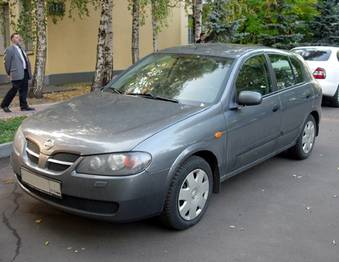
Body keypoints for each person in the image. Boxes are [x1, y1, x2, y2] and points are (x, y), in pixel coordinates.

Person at [1, 33, 35, 113]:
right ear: (12, 39)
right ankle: (4, 105)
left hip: (25, 72)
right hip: (16, 73)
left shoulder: (22, 49)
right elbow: (7, 63)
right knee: (14, 89)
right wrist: (9, 73)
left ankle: (24, 106)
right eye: (16, 37)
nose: (19, 38)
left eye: (19, 37)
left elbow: (25, 61)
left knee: (24, 90)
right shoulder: (10, 49)